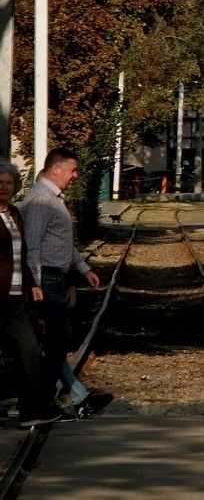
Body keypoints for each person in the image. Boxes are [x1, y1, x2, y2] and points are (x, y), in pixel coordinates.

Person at [21, 147, 106, 416]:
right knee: (54, 342)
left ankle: (61, 396)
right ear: (56, 168)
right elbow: (32, 246)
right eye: (72, 170)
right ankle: (40, 403)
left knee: (57, 342)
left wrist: (82, 269)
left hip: (54, 278)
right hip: (45, 279)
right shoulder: (40, 201)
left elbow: (61, 243)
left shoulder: (53, 198)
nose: (76, 175)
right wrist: (35, 284)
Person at [0, 163, 59, 427]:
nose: (3, 187)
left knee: (29, 350)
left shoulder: (15, 214)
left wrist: (33, 283)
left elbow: (22, 256)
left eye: (8, 183)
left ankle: (31, 409)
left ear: (15, 187)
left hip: (15, 297)